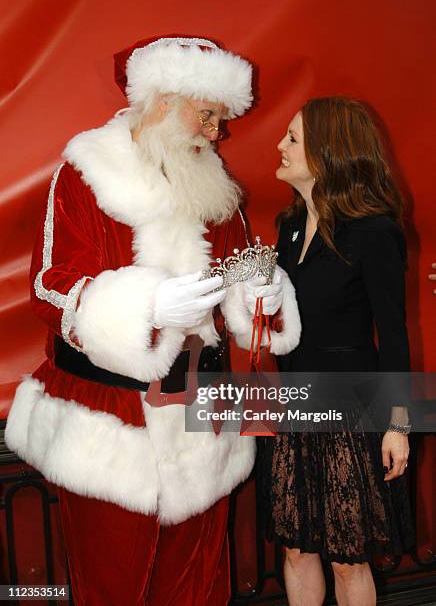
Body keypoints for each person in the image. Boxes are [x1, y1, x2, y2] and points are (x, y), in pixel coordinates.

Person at [5, 37, 301, 605]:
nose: (217, 133)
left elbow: (239, 283)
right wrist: (144, 310)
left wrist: (260, 294)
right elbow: (51, 286)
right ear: (164, 101)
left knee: (198, 581)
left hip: (203, 410)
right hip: (112, 420)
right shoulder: (87, 173)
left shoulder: (212, 184)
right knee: (114, 582)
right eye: (208, 115)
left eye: (220, 118)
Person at [260, 97, 415, 606]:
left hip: (352, 413)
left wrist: (398, 425)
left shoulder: (374, 231)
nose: (279, 146)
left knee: (349, 560)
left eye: (293, 139)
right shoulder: (287, 227)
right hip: (292, 406)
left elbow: (394, 336)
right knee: (296, 551)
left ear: (329, 153)